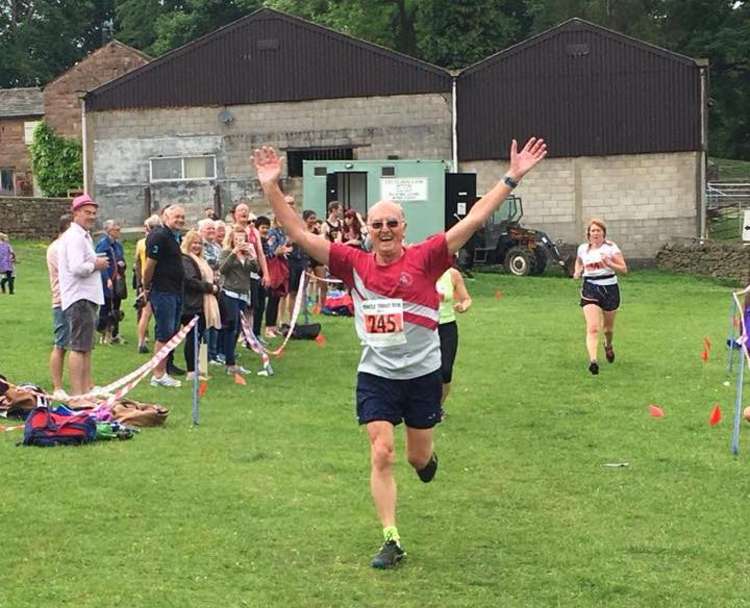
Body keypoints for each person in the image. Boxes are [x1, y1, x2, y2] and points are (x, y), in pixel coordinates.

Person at [252, 136, 547, 568]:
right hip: (377, 373)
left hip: (422, 374)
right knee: (381, 451)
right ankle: (391, 539)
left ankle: (427, 462)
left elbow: (474, 220)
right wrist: (271, 186)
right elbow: (297, 233)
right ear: (367, 231)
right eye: (377, 225)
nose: (385, 230)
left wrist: (511, 178)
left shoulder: (428, 257)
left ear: (404, 228)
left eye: (392, 223)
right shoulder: (353, 263)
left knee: (416, 457)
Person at [57, 194, 109, 395]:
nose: (92, 216)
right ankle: (77, 395)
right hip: (79, 297)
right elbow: (76, 267)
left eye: (94, 213)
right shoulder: (74, 237)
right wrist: (96, 264)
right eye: (87, 212)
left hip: (87, 296)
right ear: (76, 213)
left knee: (86, 347)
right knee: (78, 347)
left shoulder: (83, 236)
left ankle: (86, 390)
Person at [573, 218, 628, 375]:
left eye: (598, 230)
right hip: (590, 287)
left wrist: (609, 264)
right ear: (588, 234)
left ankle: (608, 345)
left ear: (603, 233)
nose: (595, 233)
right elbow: (578, 262)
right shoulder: (583, 249)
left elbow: (624, 269)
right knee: (592, 327)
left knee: (608, 329)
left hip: (609, 287)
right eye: (593, 231)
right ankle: (593, 361)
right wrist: (577, 271)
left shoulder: (611, 248)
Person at [143, 205, 186, 387]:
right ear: (166, 217)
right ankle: (158, 374)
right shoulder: (159, 236)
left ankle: (164, 370)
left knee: (171, 333)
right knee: (164, 333)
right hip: (163, 290)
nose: (180, 220)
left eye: (183, 217)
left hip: (175, 290)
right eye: (176, 217)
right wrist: (145, 287)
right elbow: (149, 265)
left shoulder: (174, 237)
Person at [181, 230, 221, 380]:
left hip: (206, 303)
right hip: (193, 304)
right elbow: (190, 281)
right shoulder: (186, 260)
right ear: (188, 244)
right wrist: (210, 288)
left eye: (199, 243)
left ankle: (203, 369)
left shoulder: (202, 260)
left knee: (204, 337)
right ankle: (191, 370)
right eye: (194, 243)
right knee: (193, 337)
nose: (197, 246)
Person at [219, 225, 258, 375]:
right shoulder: (227, 253)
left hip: (243, 294)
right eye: (237, 239)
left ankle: (231, 358)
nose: (240, 242)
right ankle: (229, 362)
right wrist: (233, 254)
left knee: (238, 329)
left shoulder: (247, 255)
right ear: (232, 240)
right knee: (231, 327)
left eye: (242, 239)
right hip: (230, 293)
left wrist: (253, 255)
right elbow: (222, 269)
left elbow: (256, 269)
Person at [436, 266, 472, 406]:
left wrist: (463, 306)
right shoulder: (421, 271)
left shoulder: (452, 274)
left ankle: (438, 407)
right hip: (425, 328)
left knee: (445, 371)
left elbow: (466, 299)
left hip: (447, 327)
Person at [46, 214, 72, 400]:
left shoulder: (67, 247)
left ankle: (87, 384)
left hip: (74, 300)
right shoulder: (57, 248)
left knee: (79, 346)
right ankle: (57, 387)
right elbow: (69, 271)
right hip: (62, 301)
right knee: (61, 344)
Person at [95, 220, 126, 345]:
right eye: (116, 229)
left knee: (116, 307)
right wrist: (106, 278)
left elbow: (121, 259)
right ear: (108, 231)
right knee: (106, 306)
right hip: (106, 281)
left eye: (119, 229)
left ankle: (114, 333)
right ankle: (103, 333)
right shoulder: (103, 244)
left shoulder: (118, 245)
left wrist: (122, 264)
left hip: (117, 281)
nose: (118, 231)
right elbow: (100, 263)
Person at [134, 214, 162, 353]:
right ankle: (159, 341)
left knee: (145, 313)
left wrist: (140, 282)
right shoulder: (160, 241)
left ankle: (141, 341)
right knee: (158, 313)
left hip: (146, 280)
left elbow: (137, 264)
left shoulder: (141, 243)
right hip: (157, 279)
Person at [251, 216, 272, 339]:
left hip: (261, 276)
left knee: (260, 306)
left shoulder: (263, 242)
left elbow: (264, 256)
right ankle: (205, 355)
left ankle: (256, 334)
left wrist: (266, 274)